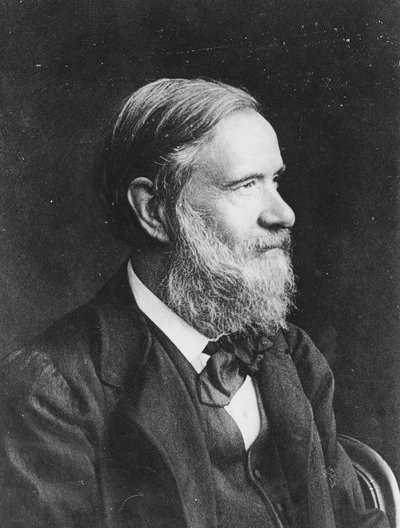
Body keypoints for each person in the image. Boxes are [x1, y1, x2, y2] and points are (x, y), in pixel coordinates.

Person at [0, 78, 389, 528]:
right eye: (245, 185)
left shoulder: (294, 355)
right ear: (154, 211)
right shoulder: (51, 392)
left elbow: (351, 519)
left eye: (275, 180)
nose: (284, 213)